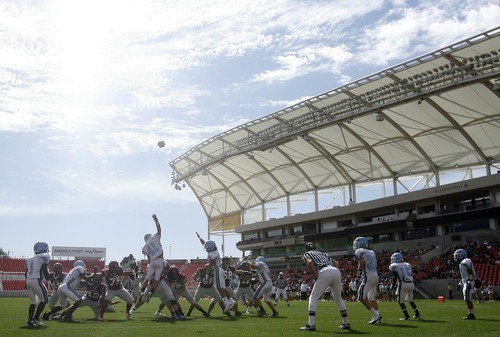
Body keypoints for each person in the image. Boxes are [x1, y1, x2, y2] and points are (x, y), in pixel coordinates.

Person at [299, 242, 350, 331]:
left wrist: (315, 276)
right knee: (339, 299)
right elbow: (336, 263)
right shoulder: (322, 253)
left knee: (313, 298)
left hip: (324, 271)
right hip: (335, 271)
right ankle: (346, 323)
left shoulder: (307, 253)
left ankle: (311, 325)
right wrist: (334, 275)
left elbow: (310, 262)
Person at [196, 232, 236, 313]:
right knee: (223, 287)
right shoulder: (214, 250)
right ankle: (231, 300)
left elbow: (211, 263)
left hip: (217, 269)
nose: (206, 248)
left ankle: (227, 302)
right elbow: (205, 244)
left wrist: (208, 272)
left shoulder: (212, 253)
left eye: (207, 248)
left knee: (219, 288)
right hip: (220, 269)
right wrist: (199, 238)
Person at [353, 236, 382, 324]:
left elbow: (360, 266)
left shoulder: (359, 251)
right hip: (375, 276)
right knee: (372, 298)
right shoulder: (372, 252)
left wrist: (357, 277)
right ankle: (377, 316)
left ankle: (376, 315)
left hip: (368, 277)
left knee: (361, 297)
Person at [388, 252, 422, 320]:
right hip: (411, 283)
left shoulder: (394, 266)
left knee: (400, 301)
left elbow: (395, 277)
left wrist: (392, 286)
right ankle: (418, 314)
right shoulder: (407, 264)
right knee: (410, 300)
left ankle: (407, 316)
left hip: (403, 283)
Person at [140, 214, 166, 302]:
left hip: (152, 262)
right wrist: (156, 220)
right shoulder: (155, 238)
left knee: (147, 278)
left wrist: (150, 264)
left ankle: (142, 291)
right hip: (160, 260)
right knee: (157, 278)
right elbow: (159, 229)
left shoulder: (145, 247)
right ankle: (152, 292)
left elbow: (148, 258)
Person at [25, 242, 51, 326]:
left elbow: (26, 273)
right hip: (36, 280)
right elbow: (44, 269)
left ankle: (30, 320)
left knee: (34, 301)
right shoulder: (44, 256)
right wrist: (49, 279)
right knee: (45, 299)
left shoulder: (29, 258)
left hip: (28, 280)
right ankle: (36, 318)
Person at [453, 248, 477, 320]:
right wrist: (460, 283)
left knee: (467, 298)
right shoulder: (462, 263)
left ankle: (471, 314)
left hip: (468, 281)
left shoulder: (465, 260)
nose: (455, 257)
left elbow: (469, 271)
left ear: (461, 255)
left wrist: (469, 280)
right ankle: (471, 314)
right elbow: (464, 276)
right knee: (467, 298)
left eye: (457, 256)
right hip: (466, 281)